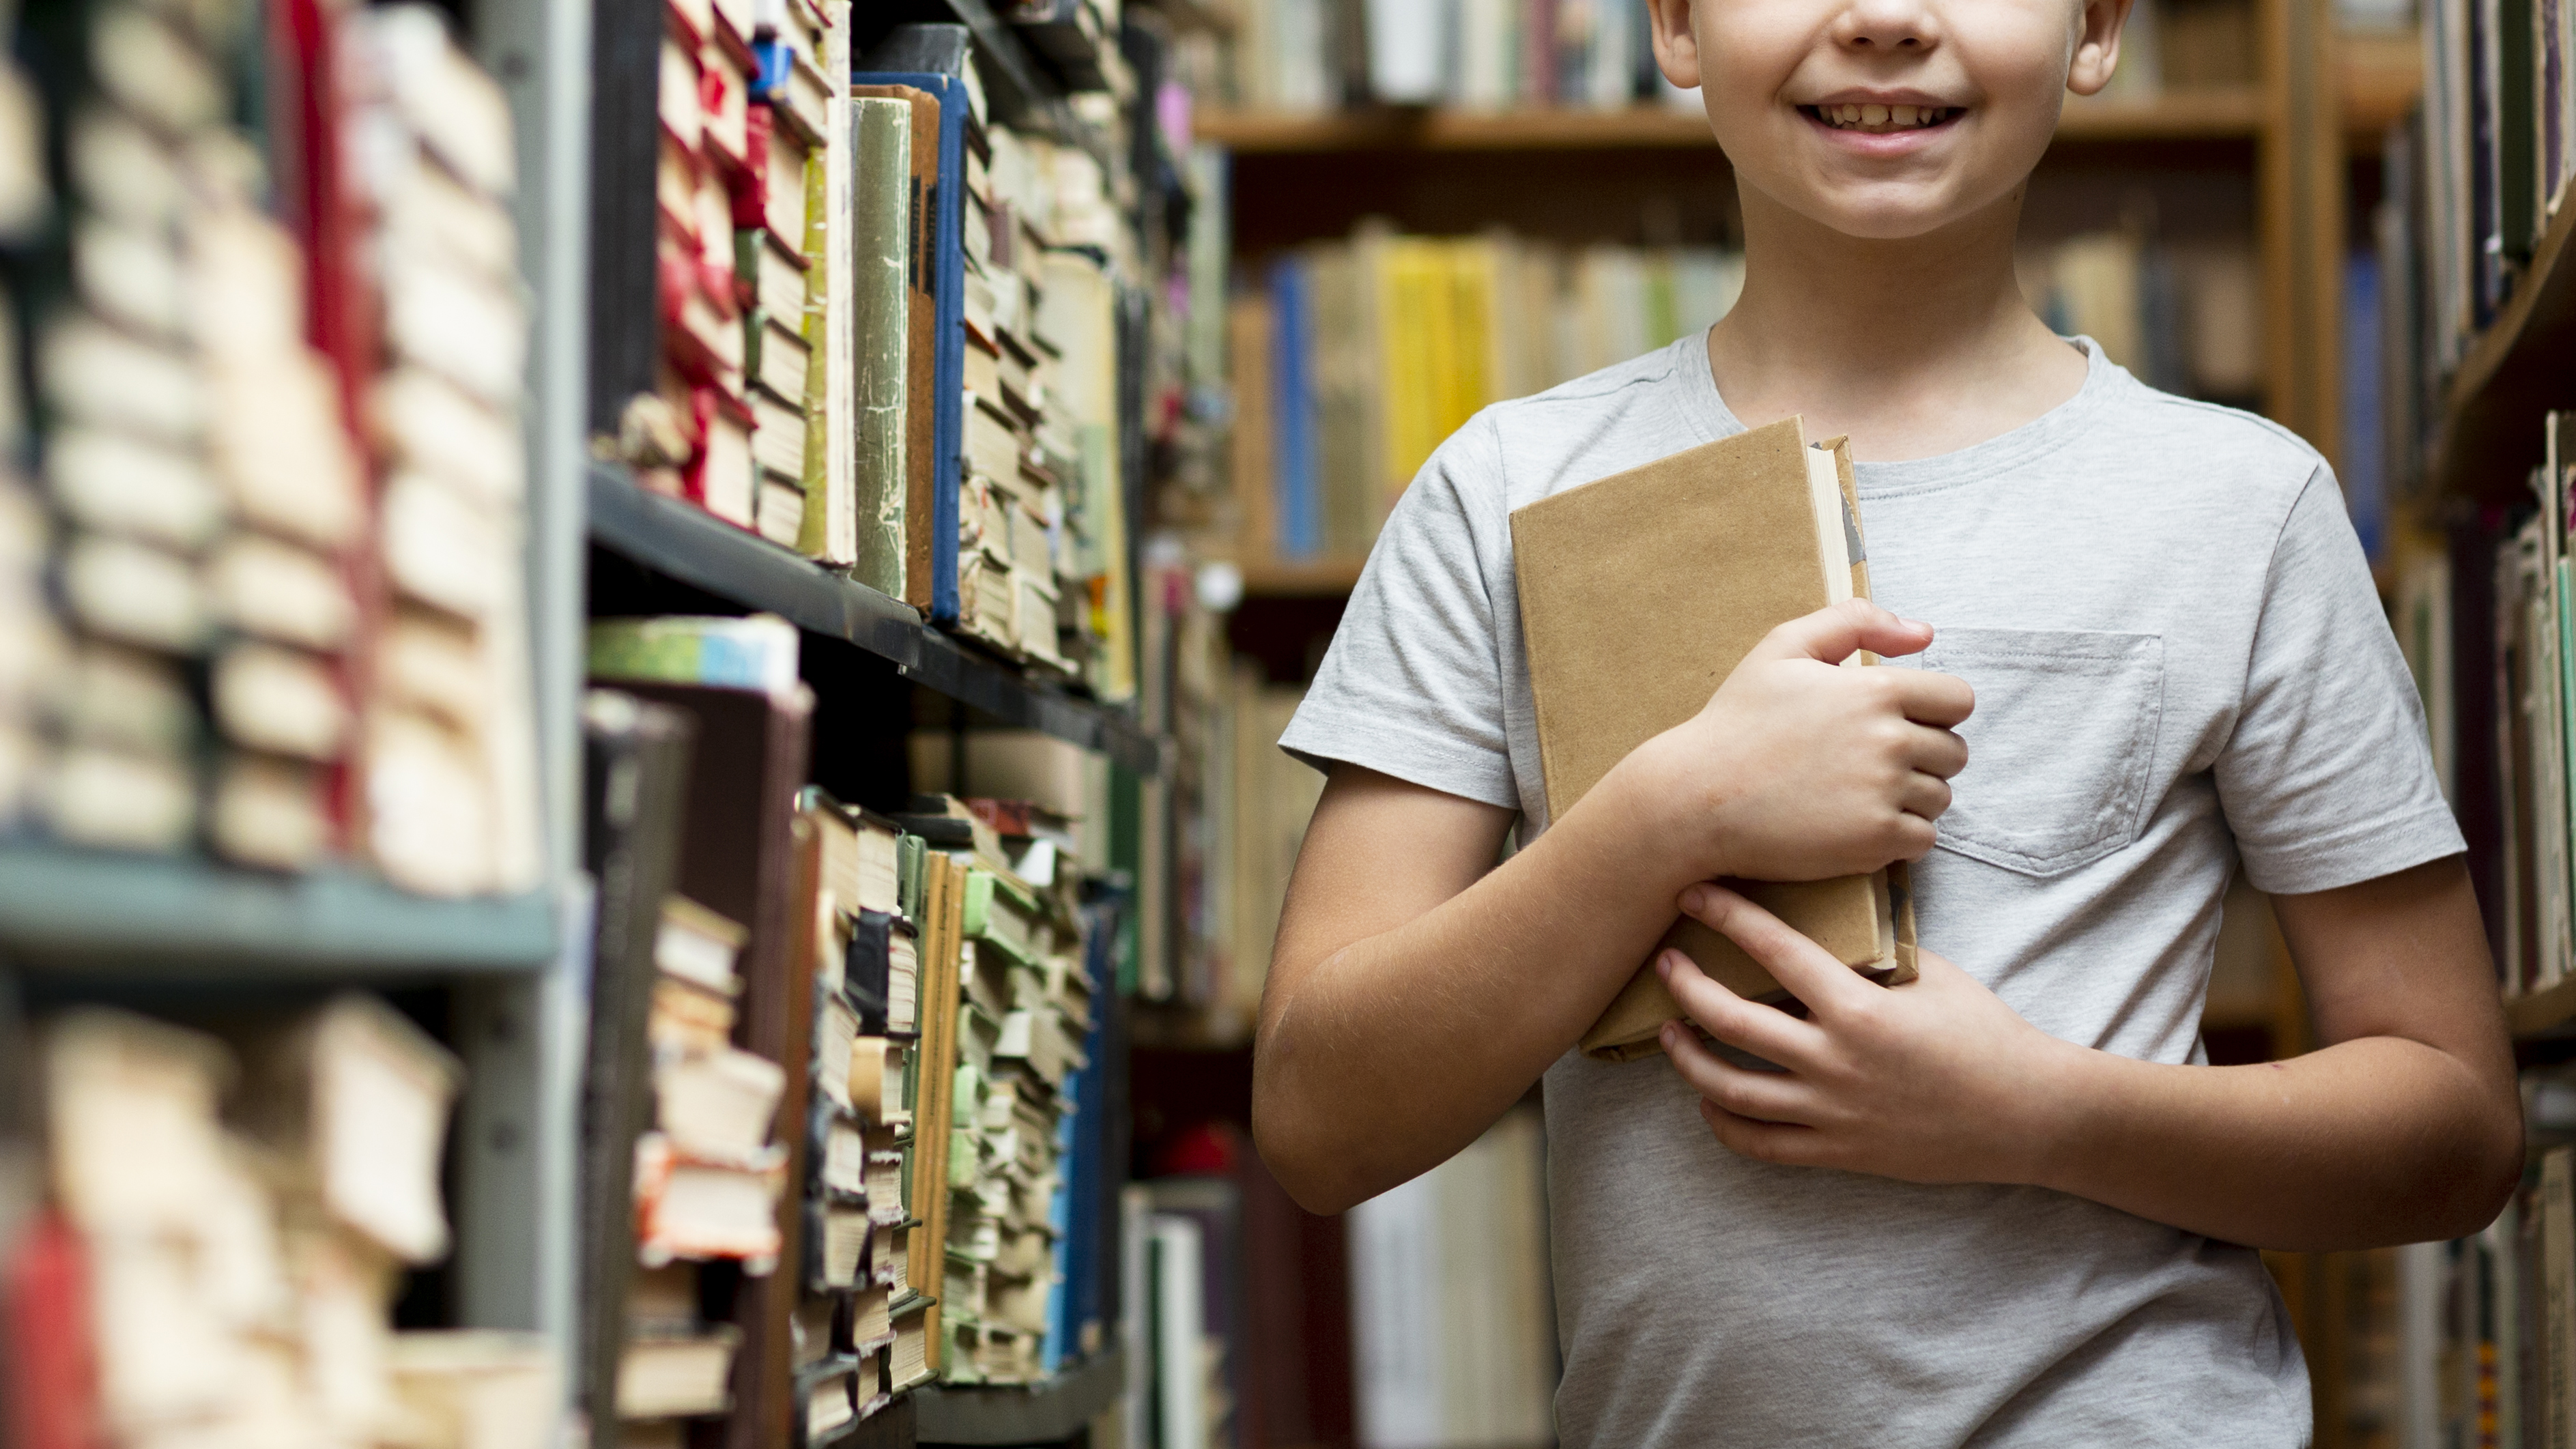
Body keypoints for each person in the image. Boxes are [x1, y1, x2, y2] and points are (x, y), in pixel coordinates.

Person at [1247, 0, 2521, 1442]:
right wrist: (1675, 814)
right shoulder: (1504, 491)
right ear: (1675, 25)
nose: (1885, 19)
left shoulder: (2245, 509)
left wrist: (2040, 1113)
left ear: (2094, 31)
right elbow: (1317, 1119)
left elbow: (2457, 1133)